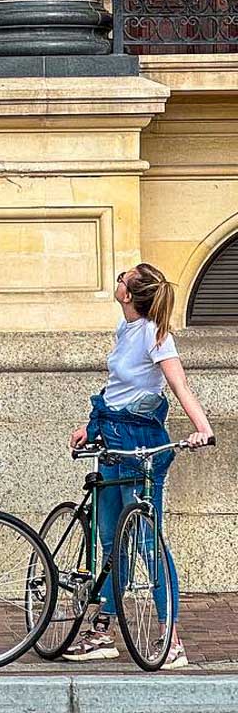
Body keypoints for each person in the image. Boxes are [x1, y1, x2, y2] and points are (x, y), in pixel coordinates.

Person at [64, 263, 213, 670]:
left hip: (141, 443)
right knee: (111, 540)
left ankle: (171, 640)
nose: (117, 281)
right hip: (112, 439)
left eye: (122, 279)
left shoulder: (156, 334)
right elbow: (118, 389)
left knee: (149, 542)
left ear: (129, 294)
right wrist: (90, 426)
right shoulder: (125, 328)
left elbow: (179, 385)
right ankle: (103, 630)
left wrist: (203, 429)